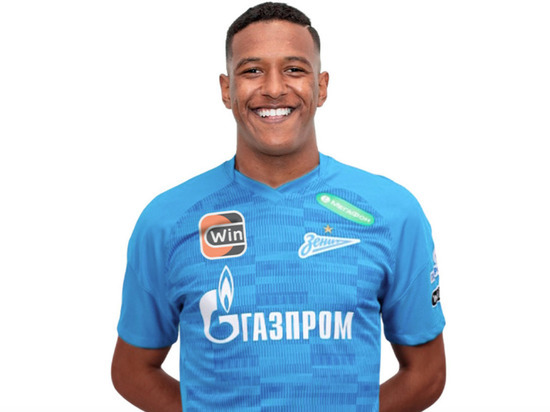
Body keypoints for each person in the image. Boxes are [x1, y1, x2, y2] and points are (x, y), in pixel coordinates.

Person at [111, 2, 446, 411]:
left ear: (321, 86)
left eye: (294, 69)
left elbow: (427, 373)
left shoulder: (393, 214)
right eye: (252, 70)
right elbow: (132, 370)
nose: (273, 88)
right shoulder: (167, 221)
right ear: (226, 89)